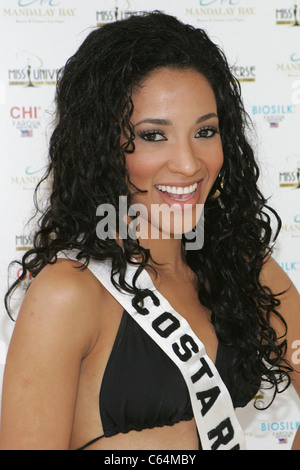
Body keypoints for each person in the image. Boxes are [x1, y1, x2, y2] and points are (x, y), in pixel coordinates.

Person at [0, 11, 299, 451]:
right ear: (103, 146)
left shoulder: (245, 267)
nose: (188, 163)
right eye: (154, 135)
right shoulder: (68, 293)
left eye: (205, 131)